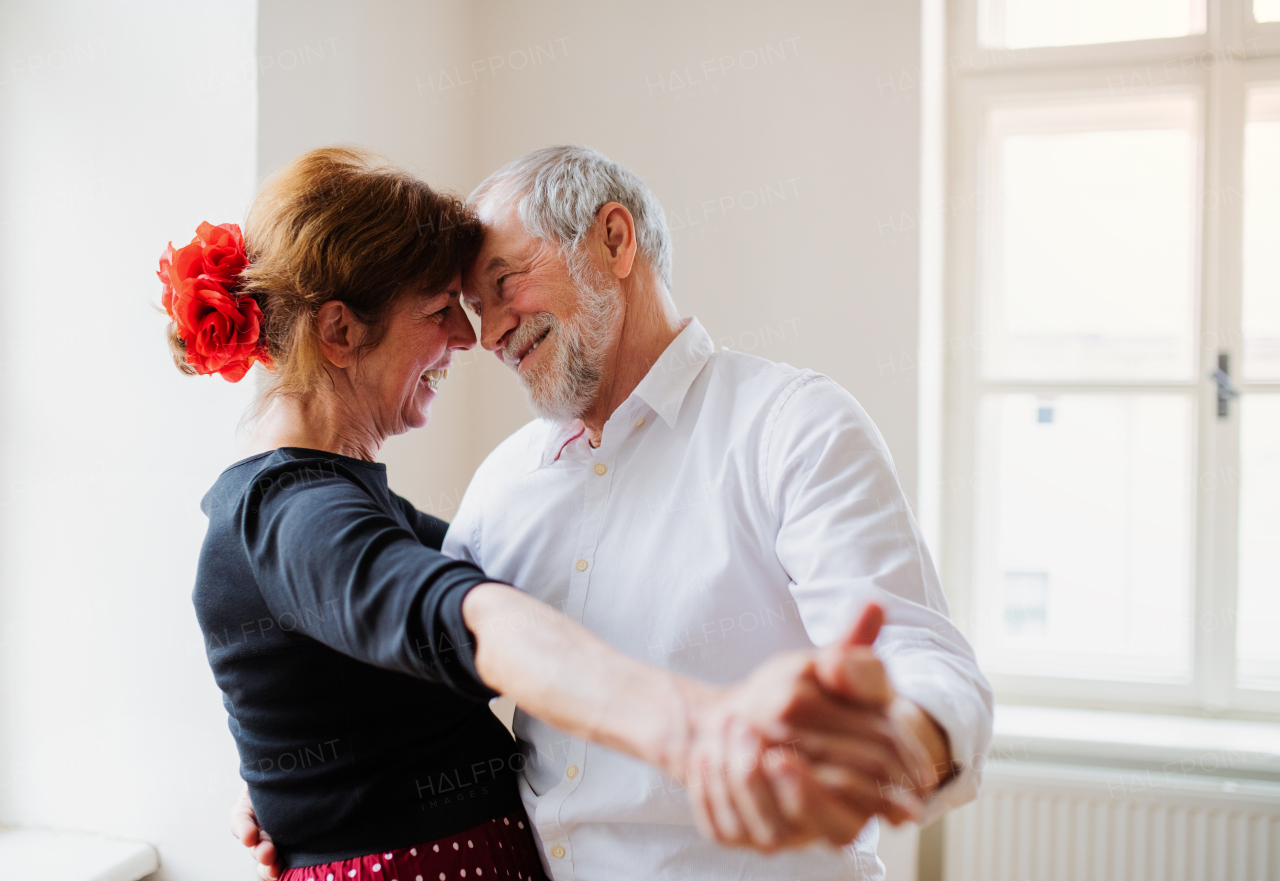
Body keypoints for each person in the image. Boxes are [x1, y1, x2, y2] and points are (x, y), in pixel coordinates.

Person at [172, 147, 941, 881]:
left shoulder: (790, 426)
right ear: (339, 331)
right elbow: (470, 621)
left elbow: (423, 642)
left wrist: (304, 774)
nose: (475, 336)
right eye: (449, 307)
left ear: (614, 240)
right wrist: (701, 727)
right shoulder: (318, 506)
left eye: (502, 284)